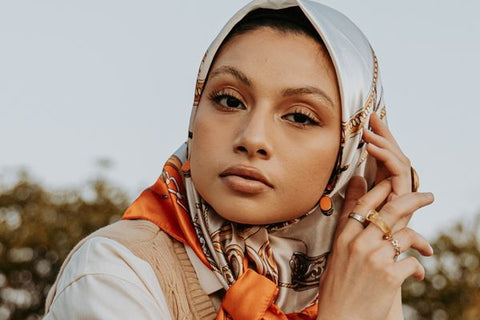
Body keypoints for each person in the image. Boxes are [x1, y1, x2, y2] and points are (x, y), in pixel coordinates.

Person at [44, 0, 433, 319]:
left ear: (351, 154)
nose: (253, 138)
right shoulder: (115, 273)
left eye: (299, 116)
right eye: (229, 100)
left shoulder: (358, 280)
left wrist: (375, 252)